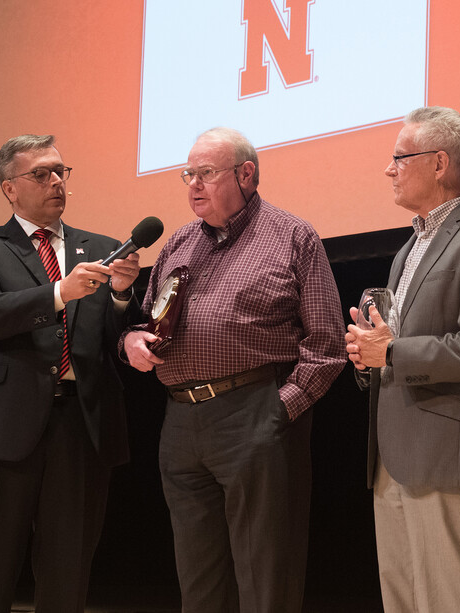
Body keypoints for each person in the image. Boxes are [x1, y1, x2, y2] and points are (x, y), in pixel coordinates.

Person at [121, 127, 345, 612]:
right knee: (198, 582)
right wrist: (131, 339)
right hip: (181, 422)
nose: (193, 185)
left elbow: (327, 345)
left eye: (206, 174)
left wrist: (278, 411)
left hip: (254, 414)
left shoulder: (292, 235)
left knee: (266, 576)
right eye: (188, 174)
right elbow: (145, 320)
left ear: (246, 175)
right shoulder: (180, 242)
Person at [344, 106, 460, 613]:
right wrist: (371, 352)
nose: (389, 170)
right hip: (392, 451)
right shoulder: (410, 247)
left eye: (400, 158)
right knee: (401, 599)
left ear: (440, 163)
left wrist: (393, 352)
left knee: (448, 599)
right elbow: (397, 346)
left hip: (443, 447)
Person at [0, 134, 141, 612]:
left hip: (80, 426)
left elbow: (115, 337)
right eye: (40, 173)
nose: (56, 181)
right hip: (1, 426)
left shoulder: (99, 248)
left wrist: (120, 295)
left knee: (67, 571)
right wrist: (60, 292)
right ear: (9, 188)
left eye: (60, 171)